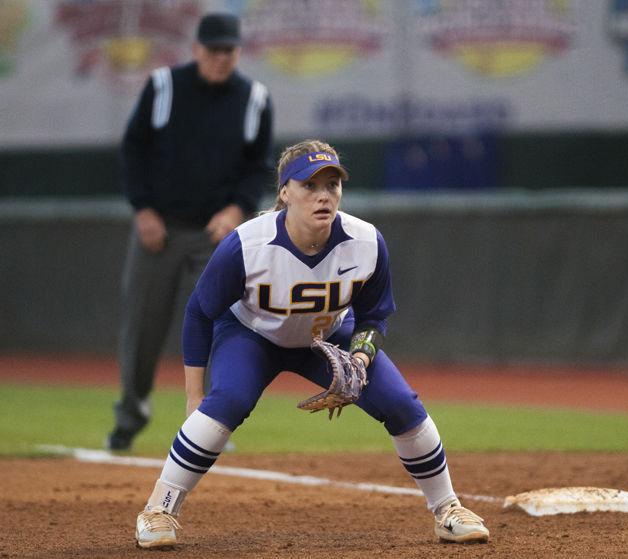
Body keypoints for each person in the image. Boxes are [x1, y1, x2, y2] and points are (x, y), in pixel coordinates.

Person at [132, 139, 490, 548]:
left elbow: (373, 317)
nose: (324, 195)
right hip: (253, 335)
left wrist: (360, 354)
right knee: (226, 401)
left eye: (332, 184)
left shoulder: (366, 242)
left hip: (328, 338)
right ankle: (158, 510)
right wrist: (194, 395)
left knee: (402, 404)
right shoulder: (247, 245)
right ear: (285, 192)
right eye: (309, 185)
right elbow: (199, 312)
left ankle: (447, 509)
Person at [107, 13, 274, 451]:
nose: (222, 58)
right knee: (142, 326)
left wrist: (237, 209)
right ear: (196, 49)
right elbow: (133, 148)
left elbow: (258, 166)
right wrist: (143, 210)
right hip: (159, 229)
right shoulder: (164, 87)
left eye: (229, 50)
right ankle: (130, 414)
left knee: (223, 325)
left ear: (238, 52)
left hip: (217, 235)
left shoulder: (253, 98)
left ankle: (214, 421)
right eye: (214, 49)